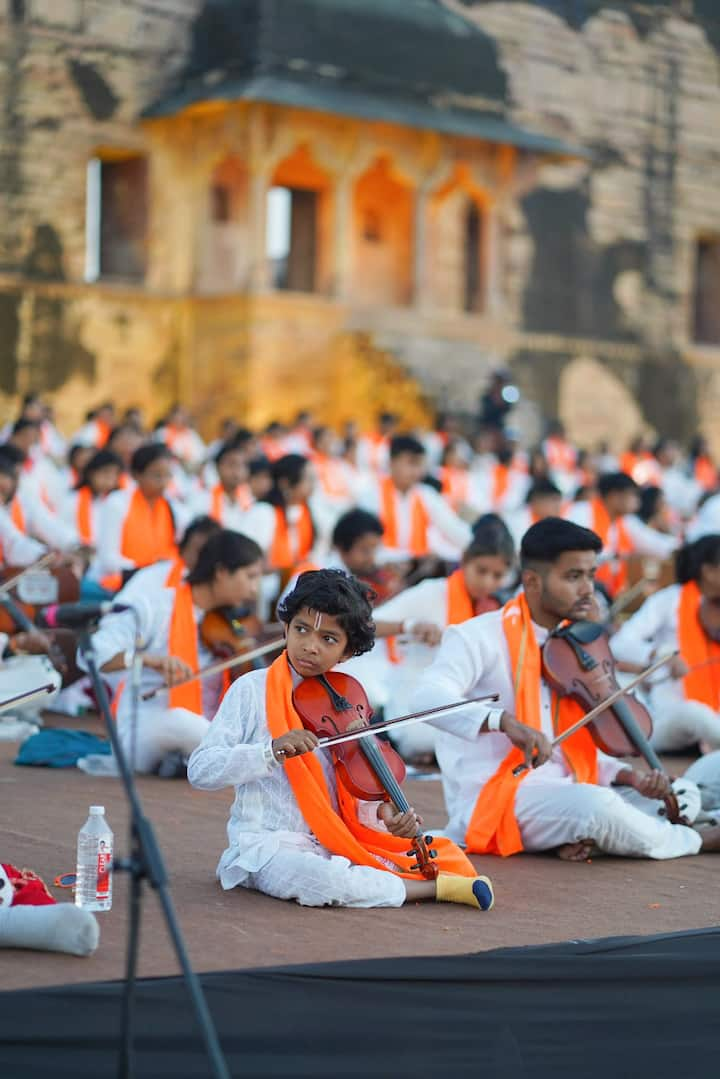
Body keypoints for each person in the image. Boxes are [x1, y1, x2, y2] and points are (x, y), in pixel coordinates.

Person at [411, 517, 720, 861]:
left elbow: (574, 751)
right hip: (500, 799)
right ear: (532, 581)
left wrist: (629, 776)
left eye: (591, 575)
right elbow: (426, 697)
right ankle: (696, 840)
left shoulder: (576, 643)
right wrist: (502, 722)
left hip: (570, 787)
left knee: (683, 790)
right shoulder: (477, 636)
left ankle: (614, 835)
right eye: (574, 577)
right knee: (597, 807)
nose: (588, 589)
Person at [187, 568, 495, 911]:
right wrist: (270, 752)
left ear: (347, 653)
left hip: (332, 840)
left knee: (432, 844)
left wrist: (385, 814)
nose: (310, 646)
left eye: (328, 640)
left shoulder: (348, 698)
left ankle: (395, 879)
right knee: (325, 881)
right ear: (286, 628)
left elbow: (351, 789)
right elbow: (201, 769)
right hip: (266, 846)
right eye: (302, 630)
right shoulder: (250, 690)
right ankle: (432, 889)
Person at [80, 529, 263, 775]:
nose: (255, 589)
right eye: (250, 577)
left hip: (206, 729)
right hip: (143, 733)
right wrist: (145, 660)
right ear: (221, 572)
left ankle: (210, 756)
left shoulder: (228, 623)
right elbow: (89, 654)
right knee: (179, 720)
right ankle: (244, 758)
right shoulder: (154, 607)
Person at [370, 522, 516, 762]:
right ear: (465, 561)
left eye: (497, 576)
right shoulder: (432, 592)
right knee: (432, 739)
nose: (488, 582)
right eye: (481, 571)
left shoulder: (499, 607)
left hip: (470, 698)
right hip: (419, 696)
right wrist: (408, 626)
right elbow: (367, 624)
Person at [611, 535, 720, 753]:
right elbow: (619, 643)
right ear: (708, 571)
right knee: (695, 714)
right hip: (671, 716)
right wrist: (662, 655)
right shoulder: (668, 600)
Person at [358, 435, 471, 561]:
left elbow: (454, 529)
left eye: (420, 465)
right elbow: (366, 549)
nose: (417, 471)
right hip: (381, 566)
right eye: (412, 463)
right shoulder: (371, 496)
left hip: (417, 570)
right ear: (391, 463)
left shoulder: (426, 495)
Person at [89, 444, 184, 592]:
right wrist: (147, 567)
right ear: (136, 474)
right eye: (157, 475)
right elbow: (108, 560)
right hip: (121, 584)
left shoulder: (173, 506)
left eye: (168, 475)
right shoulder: (118, 502)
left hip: (162, 584)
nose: (163, 482)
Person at [565, 472, 676, 597]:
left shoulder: (626, 521)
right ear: (614, 496)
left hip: (608, 593)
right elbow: (577, 554)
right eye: (633, 495)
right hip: (579, 589)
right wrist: (617, 556)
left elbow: (655, 543)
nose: (637, 501)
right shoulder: (582, 512)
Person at [61, 449, 123, 547]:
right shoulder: (73, 499)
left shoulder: (118, 501)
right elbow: (62, 530)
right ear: (91, 473)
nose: (110, 479)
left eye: (115, 474)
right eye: (105, 472)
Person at [190, 442, 253, 530]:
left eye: (242, 465)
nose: (237, 471)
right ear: (217, 467)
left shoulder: (250, 500)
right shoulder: (203, 498)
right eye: (231, 465)